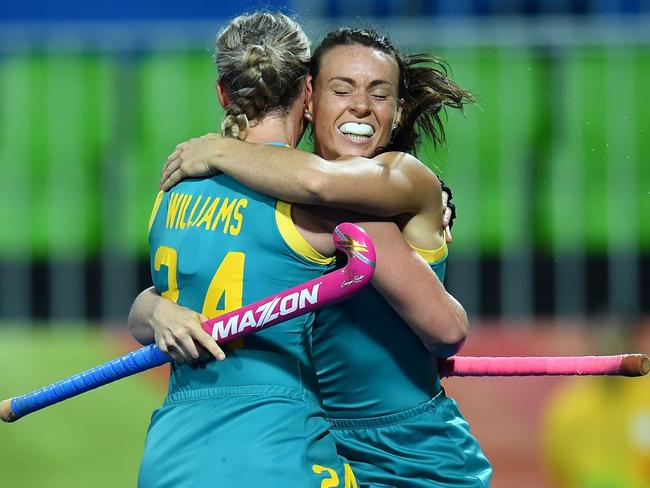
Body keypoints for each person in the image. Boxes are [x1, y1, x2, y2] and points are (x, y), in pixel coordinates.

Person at [130, 14, 470, 488]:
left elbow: (447, 328)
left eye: (379, 93)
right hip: (326, 447)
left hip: (411, 453)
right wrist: (152, 307)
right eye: (342, 88)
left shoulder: (388, 181)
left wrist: (219, 148)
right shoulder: (310, 204)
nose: (361, 107)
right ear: (309, 98)